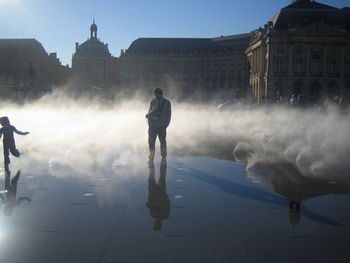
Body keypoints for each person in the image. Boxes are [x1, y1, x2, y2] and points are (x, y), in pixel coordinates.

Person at [145, 88, 171, 161]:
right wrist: (149, 118)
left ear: (161, 94)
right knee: (151, 141)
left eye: (157, 94)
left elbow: (168, 115)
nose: (156, 96)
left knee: (162, 141)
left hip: (162, 126)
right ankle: (152, 154)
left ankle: (163, 156)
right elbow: (150, 111)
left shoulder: (167, 103)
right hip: (153, 126)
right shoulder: (153, 101)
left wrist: (166, 125)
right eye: (155, 94)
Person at [146, 160, 170, 231]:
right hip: (159, 193)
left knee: (155, 175)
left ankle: (154, 159)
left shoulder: (154, 215)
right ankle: (159, 159)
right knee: (160, 175)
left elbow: (149, 202)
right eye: (155, 224)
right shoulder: (164, 215)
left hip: (155, 192)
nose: (155, 222)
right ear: (157, 224)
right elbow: (167, 204)